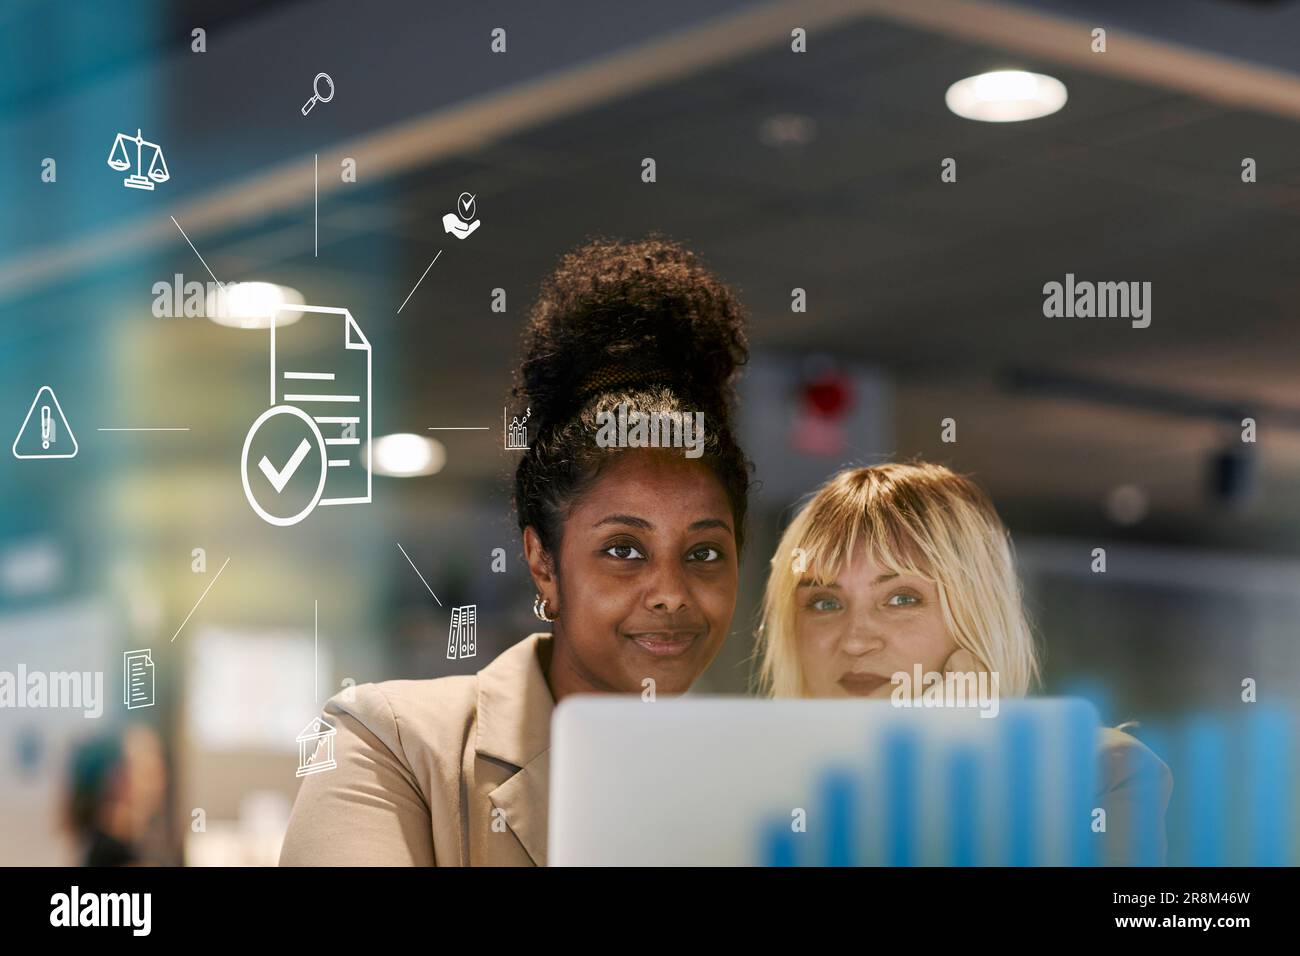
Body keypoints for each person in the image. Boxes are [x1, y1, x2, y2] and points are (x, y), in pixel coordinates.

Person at [280, 236, 752, 865]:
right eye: (623, 549)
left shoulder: (756, 786)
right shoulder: (393, 743)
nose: (671, 591)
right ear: (543, 564)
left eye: (703, 554)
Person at [753, 461, 1173, 865]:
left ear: (977, 613)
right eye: (824, 602)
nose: (856, 639)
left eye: (902, 598)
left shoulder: (1097, 773)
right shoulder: (752, 788)